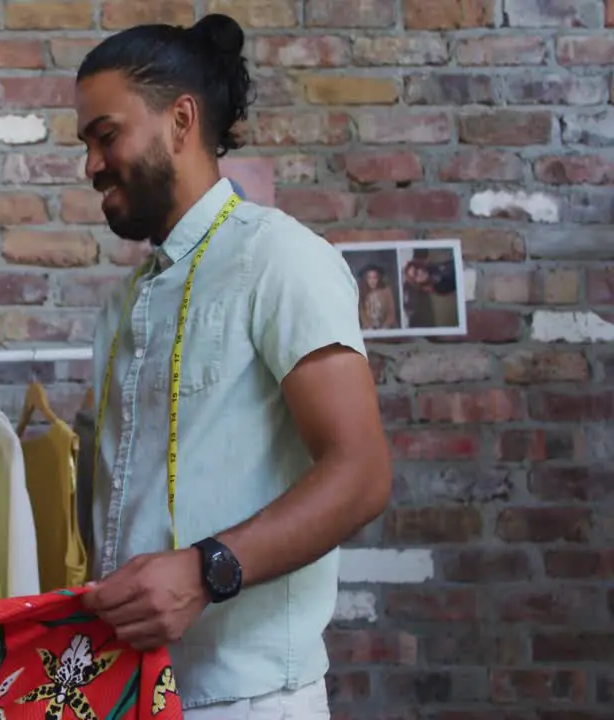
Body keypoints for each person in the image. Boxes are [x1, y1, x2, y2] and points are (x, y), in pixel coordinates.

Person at [72, 15, 392, 719]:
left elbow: (362, 474)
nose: (92, 164)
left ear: (180, 121)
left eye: (105, 135)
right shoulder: (124, 302)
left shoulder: (280, 258)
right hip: (134, 694)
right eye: (87, 144)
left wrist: (204, 571)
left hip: (250, 700)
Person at [357, 265, 399, 330]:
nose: (372, 281)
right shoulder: (362, 293)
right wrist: (368, 327)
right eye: (369, 278)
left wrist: (385, 326)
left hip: (386, 331)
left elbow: (391, 313)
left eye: (375, 278)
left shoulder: (386, 292)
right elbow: (362, 313)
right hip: (368, 331)